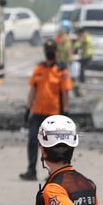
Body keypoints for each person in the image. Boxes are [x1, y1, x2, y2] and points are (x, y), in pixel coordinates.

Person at [19, 39, 71, 181]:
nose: (49, 54)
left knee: (53, 146)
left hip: (54, 115)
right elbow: (32, 91)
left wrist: (66, 113)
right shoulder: (39, 69)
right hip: (37, 113)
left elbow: (65, 93)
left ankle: (53, 173)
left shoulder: (61, 70)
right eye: (47, 51)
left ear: (56, 52)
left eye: (51, 51)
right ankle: (31, 170)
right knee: (32, 141)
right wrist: (27, 109)